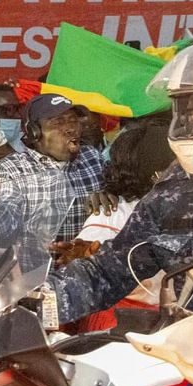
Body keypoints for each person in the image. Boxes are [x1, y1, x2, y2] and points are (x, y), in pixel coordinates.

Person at [54, 33, 193, 362]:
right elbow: (109, 271)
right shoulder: (180, 182)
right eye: (188, 113)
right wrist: (34, 300)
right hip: (186, 372)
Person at [52, 121, 175, 330]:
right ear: (157, 175)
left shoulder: (179, 208)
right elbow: (85, 272)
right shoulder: (111, 216)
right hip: (121, 323)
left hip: (163, 321)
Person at [0, 93, 107, 247]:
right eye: (57, 122)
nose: (70, 128)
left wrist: (111, 192)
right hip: (39, 269)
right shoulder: (12, 171)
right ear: (34, 132)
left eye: (73, 120)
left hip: (91, 264)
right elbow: (3, 234)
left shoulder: (92, 157)